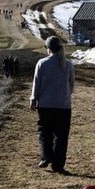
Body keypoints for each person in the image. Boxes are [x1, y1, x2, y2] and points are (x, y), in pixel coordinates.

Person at [30, 36, 75, 174]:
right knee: (61, 136)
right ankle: (58, 165)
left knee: (45, 132)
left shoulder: (42, 63)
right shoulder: (68, 64)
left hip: (45, 104)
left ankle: (46, 157)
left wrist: (33, 99)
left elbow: (36, 83)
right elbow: (71, 86)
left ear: (48, 48)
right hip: (63, 105)